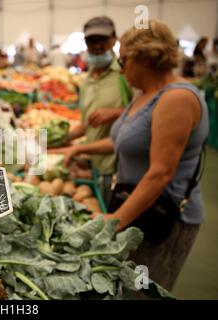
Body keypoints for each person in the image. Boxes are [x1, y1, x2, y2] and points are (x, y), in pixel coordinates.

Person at [58, 20, 208, 291]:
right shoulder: (144, 94)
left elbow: (161, 172)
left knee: (143, 292)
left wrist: (115, 220)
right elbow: (120, 142)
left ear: (144, 56)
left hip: (163, 217)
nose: (120, 66)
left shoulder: (177, 99)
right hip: (138, 208)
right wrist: (78, 148)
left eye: (123, 59)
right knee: (126, 288)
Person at [51, 16, 131, 205]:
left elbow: (146, 112)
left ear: (114, 39)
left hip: (118, 169)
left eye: (101, 40)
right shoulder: (86, 80)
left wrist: (115, 112)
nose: (96, 46)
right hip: (94, 165)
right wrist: (59, 140)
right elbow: (88, 124)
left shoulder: (125, 74)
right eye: (90, 41)